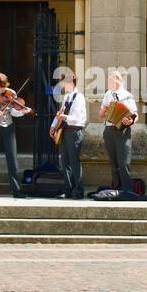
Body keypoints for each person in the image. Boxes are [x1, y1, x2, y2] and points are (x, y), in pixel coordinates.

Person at [99, 70, 137, 191]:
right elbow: (101, 113)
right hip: (109, 129)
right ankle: (116, 188)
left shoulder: (127, 95)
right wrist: (106, 111)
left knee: (123, 162)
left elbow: (135, 115)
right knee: (113, 162)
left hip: (122, 131)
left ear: (117, 81)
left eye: (110, 80)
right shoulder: (107, 95)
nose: (108, 83)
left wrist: (131, 121)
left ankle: (127, 190)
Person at [53, 70, 86, 199]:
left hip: (75, 130)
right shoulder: (67, 97)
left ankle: (78, 190)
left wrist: (63, 116)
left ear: (71, 82)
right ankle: (68, 189)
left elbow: (76, 118)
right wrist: (53, 126)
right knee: (65, 161)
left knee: (74, 161)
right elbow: (61, 115)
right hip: (66, 130)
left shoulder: (79, 97)